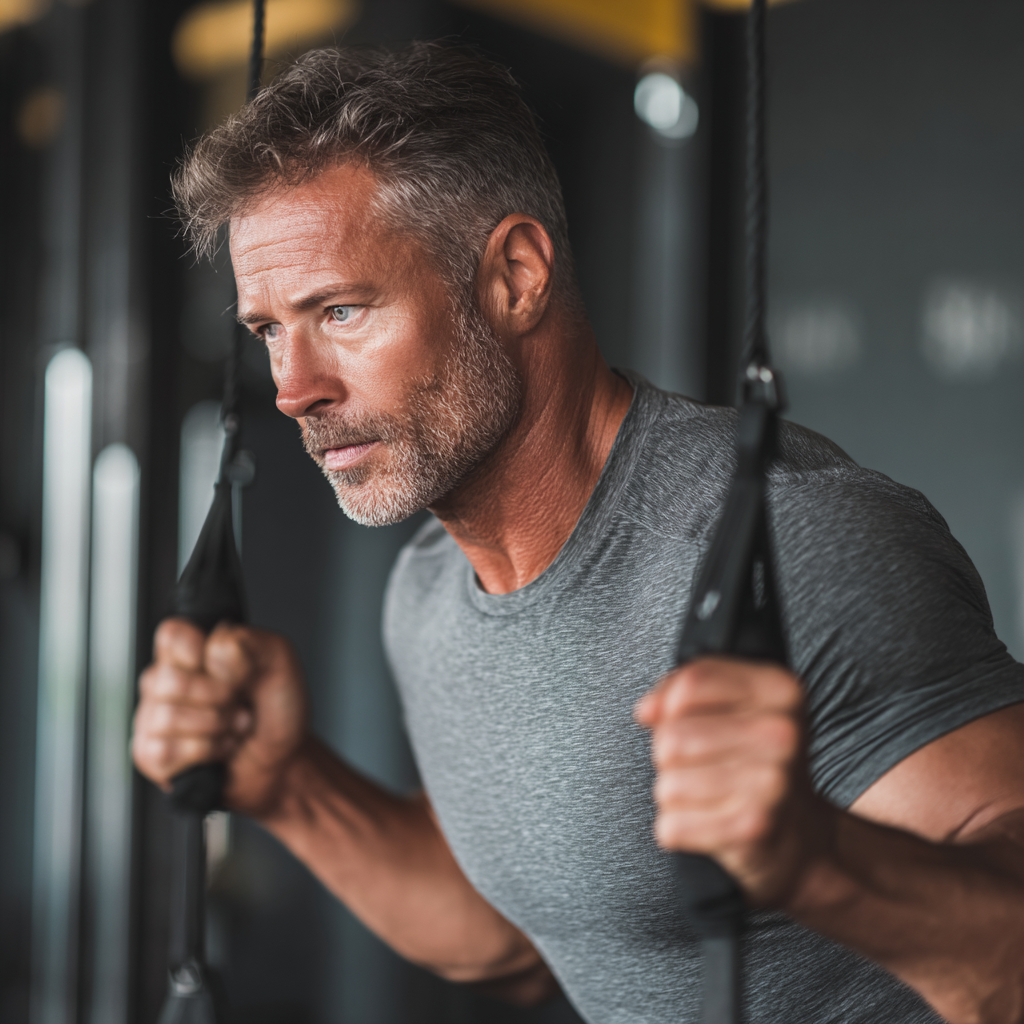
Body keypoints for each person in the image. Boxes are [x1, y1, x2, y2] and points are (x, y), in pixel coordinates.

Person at [132, 43, 1024, 1024]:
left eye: (340, 311)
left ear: (515, 274)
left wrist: (820, 862)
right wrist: (291, 783)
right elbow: (522, 937)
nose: (293, 388)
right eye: (267, 330)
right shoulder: (428, 591)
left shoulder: (791, 540)